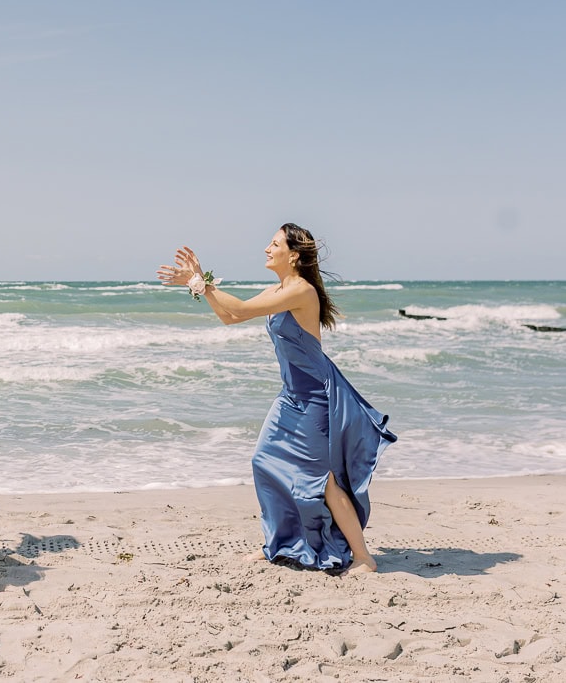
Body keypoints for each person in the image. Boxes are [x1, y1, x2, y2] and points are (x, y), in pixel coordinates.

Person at [157, 224, 396, 574]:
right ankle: (278, 542)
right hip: (290, 396)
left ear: (294, 255)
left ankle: (364, 557)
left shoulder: (301, 291)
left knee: (322, 479)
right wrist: (199, 284)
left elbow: (237, 310)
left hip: (315, 398)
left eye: (274, 244)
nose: (267, 249)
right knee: (264, 461)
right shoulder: (279, 289)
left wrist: (198, 282)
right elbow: (229, 316)